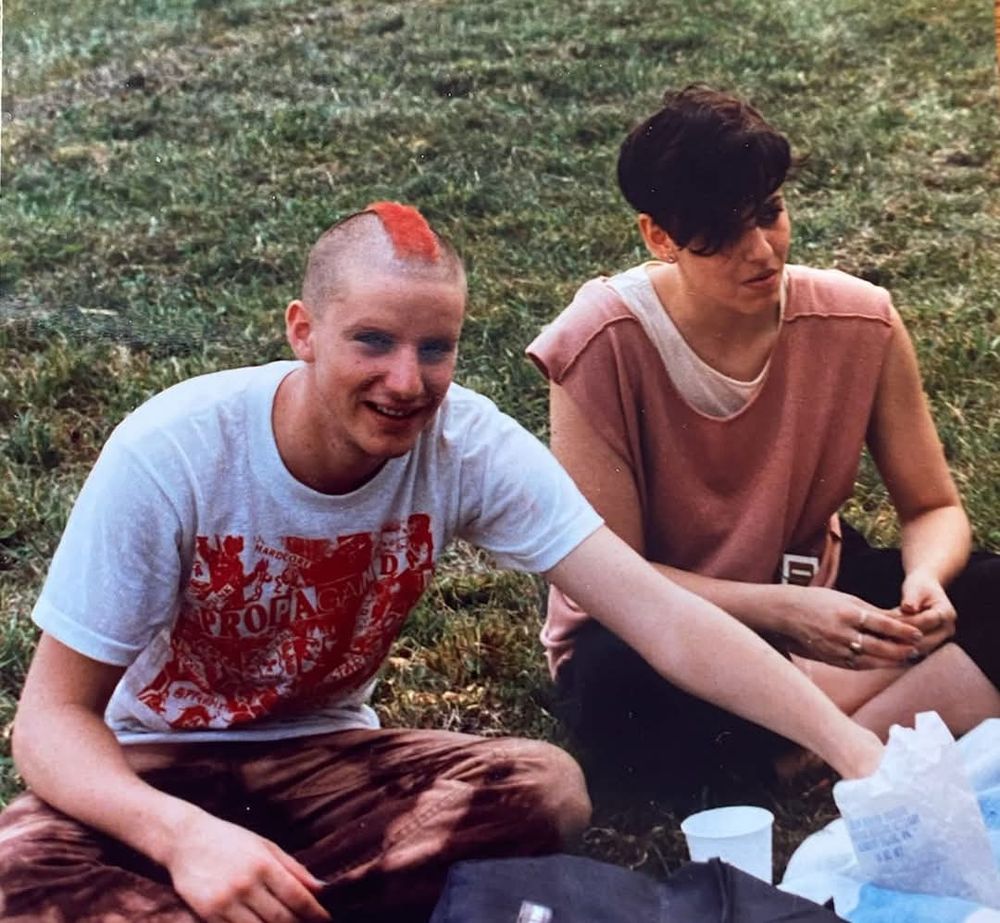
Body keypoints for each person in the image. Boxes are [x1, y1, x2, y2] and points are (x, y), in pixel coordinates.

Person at [0, 201, 884, 923]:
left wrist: (848, 745)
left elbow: (657, 614)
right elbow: (48, 724)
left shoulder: (467, 445)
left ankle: (254, 899)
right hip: (154, 764)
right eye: (372, 341)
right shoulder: (173, 452)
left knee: (543, 789)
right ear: (304, 330)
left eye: (436, 348)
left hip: (332, 763)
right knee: (17, 871)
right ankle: (250, 887)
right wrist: (182, 838)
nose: (407, 381)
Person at [527, 85, 1000, 804]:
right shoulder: (599, 341)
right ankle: (876, 720)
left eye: (770, 214)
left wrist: (926, 581)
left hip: (821, 591)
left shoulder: (860, 319)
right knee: (613, 688)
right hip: (659, 622)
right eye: (720, 231)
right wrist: (779, 611)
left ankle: (811, 755)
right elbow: (612, 575)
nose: (761, 250)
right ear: (658, 236)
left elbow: (934, 505)